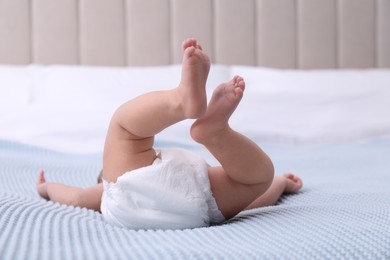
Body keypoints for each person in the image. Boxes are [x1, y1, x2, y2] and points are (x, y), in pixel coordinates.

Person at [37, 38, 302, 230]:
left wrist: (48, 188)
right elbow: (253, 200)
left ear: (103, 178)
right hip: (199, 205)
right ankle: (208, 126)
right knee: (256, 178)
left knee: (124, 127)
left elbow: (75, 198)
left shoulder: (107, 192)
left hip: (136, 209)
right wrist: (277, 183)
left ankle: (184, 102)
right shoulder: (196, 181)